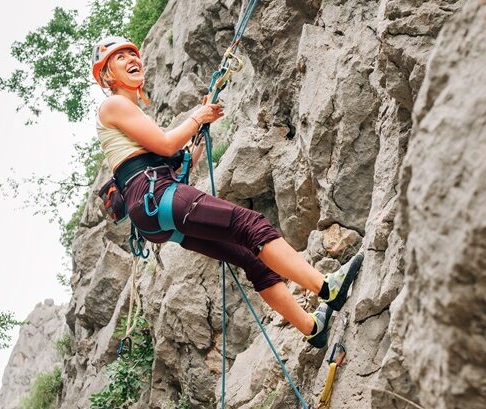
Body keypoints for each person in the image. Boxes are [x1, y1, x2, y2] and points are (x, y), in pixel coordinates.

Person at [91, 36, 362, 348]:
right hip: (156, 195)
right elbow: (166, 144)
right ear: (107, 75)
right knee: (251, 225)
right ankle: (327, 287)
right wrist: (196, 118)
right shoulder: (114, 105)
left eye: (132, 53)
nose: (130, 59)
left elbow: (178, 162)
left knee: (251, 258)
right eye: (120, 57)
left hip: (153, 213)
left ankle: (312, 327)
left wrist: (198, 126)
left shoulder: (131, 115)